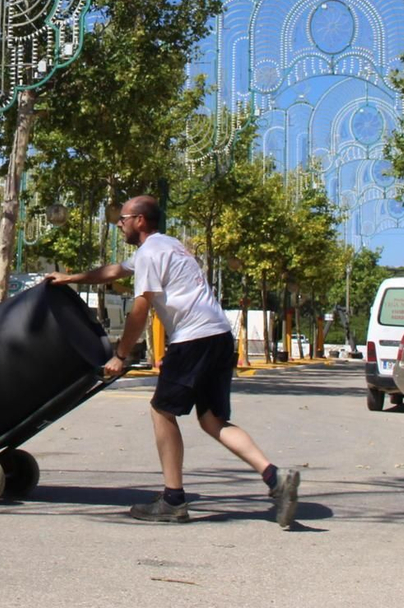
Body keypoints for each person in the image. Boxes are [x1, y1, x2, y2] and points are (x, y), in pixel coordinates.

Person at [48, 196, 300, 526]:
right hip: (218, 335)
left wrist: (120, 356)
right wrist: (71, 279)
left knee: (161, 409)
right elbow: (114, 270)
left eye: (122, 218)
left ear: (139, 220)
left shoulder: (151, 253)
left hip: (193, 338)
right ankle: (275, 477)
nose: (119, 223)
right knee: (212, 420)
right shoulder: (167, 246)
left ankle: (173, 499)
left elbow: (141, 307)